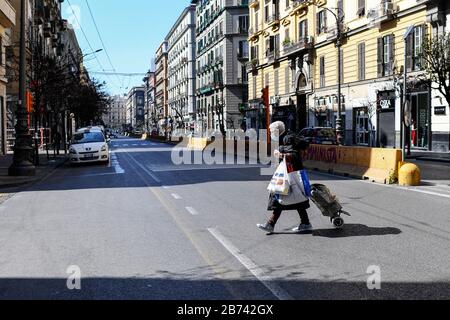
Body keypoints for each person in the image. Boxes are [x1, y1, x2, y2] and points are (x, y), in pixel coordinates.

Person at [257, 121, 312, 234]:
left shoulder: (287, 139)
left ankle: (270, 224)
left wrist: (280, 155)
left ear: (277, 131)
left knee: (279, 196)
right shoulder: (287, 136)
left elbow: (294, 155)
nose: (271, 134)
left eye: (271, 132)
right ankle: (305, 223)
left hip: (290, 173)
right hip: (291, 172)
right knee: (297, 197)